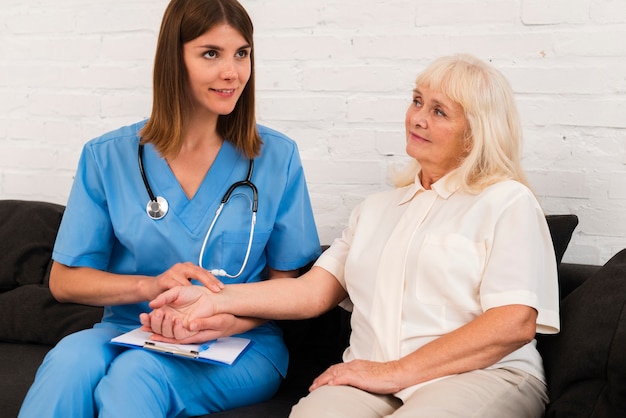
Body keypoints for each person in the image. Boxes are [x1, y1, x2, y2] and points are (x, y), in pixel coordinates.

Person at [142, 54, 561, 418]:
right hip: (370, 379)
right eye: (417, 101)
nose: (417, 117)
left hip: (477, 378)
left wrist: (393, 371)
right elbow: (310, 294)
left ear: (476, 132)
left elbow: (514, 323)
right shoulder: (376, 210)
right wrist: (213, 299)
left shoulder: (506, 202)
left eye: (439, 111)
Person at [18, 0, 321, 417]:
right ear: (173, 60)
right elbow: (65, 281)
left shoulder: (276, 158)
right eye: (210, 53)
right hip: (129, 328)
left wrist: (222, 318)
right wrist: (150, 287)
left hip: (237, 339)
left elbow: (287, 287)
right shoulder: (107, 157)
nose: (232, 72)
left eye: (242, 53)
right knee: (68, 360)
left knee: (137, 374)